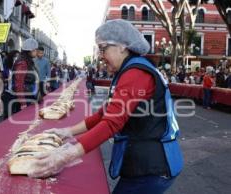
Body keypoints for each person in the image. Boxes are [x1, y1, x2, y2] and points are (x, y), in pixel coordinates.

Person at [29, 19, 183, 194]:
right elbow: (105, 113)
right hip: (147, 162)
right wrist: (67, 132)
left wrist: (66, 155)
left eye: (103, 48)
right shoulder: (130, 69)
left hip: (152, 167)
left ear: (122, 46)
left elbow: (111, 123)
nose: (101, 56)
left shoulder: (135, 73)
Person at [13, 37, 40, 109]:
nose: (36, 52)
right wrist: (22, 102)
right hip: (25, 98)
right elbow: (19, 83)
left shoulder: (28, 61)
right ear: (29, 51)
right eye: (35, 50)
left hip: (29, 96)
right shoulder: (22, 62)